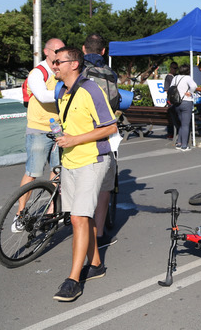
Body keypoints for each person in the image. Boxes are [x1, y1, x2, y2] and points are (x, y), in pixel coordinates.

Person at [51, 46, 118, 302]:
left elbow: (110, 127)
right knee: (82, 218)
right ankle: (97, 265)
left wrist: (75, 139)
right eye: (53, 61)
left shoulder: (91, 89)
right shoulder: (63, 92)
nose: (54, 65)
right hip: (70, 162)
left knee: (79, 219)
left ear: (74, 64)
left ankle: (73, 279)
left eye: (59, 62)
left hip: (93, 161)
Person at [14, 37, 65, 223]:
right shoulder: (38, 72)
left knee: (57, 169)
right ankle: (20, 214)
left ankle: (52, 209)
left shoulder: (62, 70)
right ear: (46, 52)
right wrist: (67, 92)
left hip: (58, 127)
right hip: (38, 128)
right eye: (56, 51)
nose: (59, 54)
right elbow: (43, 96)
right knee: (33, 172)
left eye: (62, 51)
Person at [81, 33, 119, 249]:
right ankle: (99, 232)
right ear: (104, 51)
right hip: (104, 131)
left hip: (77, 131)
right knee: (105, 185)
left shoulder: (78, 71)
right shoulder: (110, 73)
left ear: (84, 49)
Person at [169, 64, 197, 150]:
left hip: (177, 103)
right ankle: (184, 145)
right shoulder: (187, 78)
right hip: (186, 101)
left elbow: (171, 88)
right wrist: (190, 92)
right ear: (188, 70)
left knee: (181, 123)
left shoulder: (175, 77)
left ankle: (179, 142)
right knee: (185, 124)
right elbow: (194, 86)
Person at [163, 63, 181, 140]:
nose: (175, 69)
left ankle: (175, 132)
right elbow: (166, 90)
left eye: (176, 68)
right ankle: (171, 133)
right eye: (174, 68)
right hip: (172, 100)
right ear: (170, 68)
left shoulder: (176, 76)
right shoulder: (168, 77)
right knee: (172, 117)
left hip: (177, 100)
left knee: (176, 117)